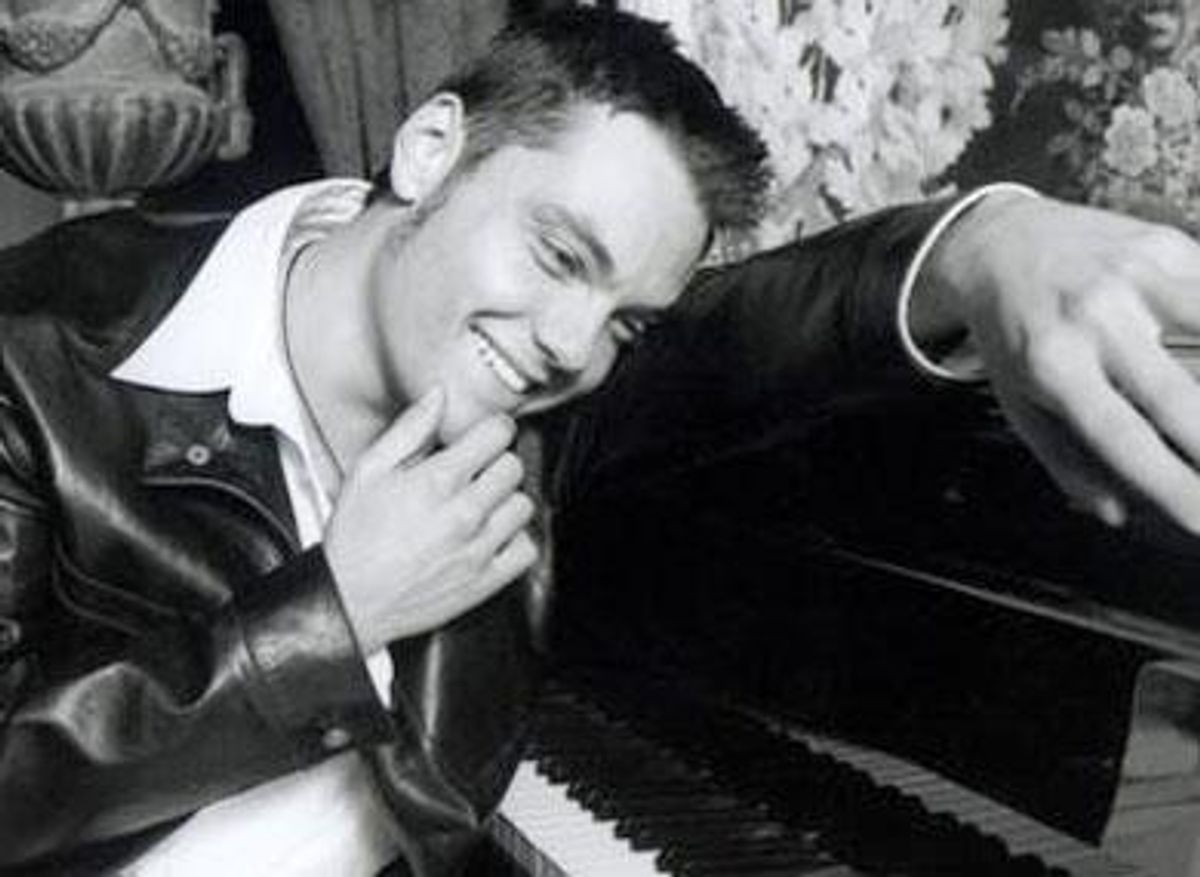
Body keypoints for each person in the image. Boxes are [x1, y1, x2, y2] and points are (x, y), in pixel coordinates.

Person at [3, 6, 1200, 875]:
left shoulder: (544, 409)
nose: (571, 346)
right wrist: (339, 614)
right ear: (429, 149)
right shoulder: (35, 358)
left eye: (626, 321)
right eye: (559, 253)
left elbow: (766, 324)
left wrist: (990, 246)